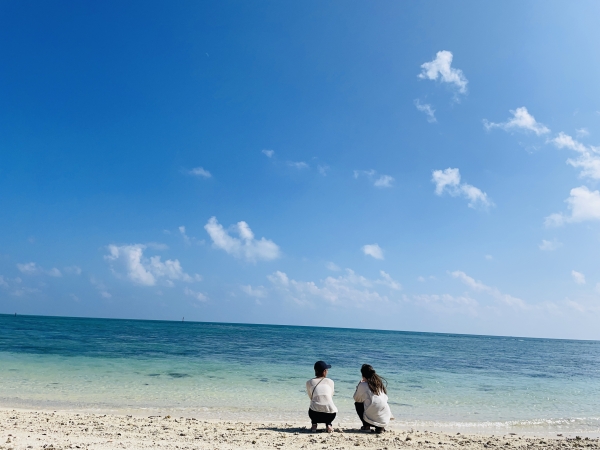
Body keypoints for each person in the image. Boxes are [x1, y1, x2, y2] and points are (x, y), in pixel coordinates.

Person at [353, 364, 393, 433]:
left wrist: (359, 385)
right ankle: (380, 428)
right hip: (384, 419)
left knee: (358, 404)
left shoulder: (363, 384)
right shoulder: (379, 384)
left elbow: (356, 398)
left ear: (363, 375)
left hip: (373, 418)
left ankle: (366, 426)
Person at [306, 360, 337, 433]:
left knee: (313, 404)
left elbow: (311, 397)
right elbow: (330, 395)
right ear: (324, 371)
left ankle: (314, 424)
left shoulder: (309, 382)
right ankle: (328, 424)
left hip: (314, 415)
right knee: (328, 404)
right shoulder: (330, 381)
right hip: (330, 415)